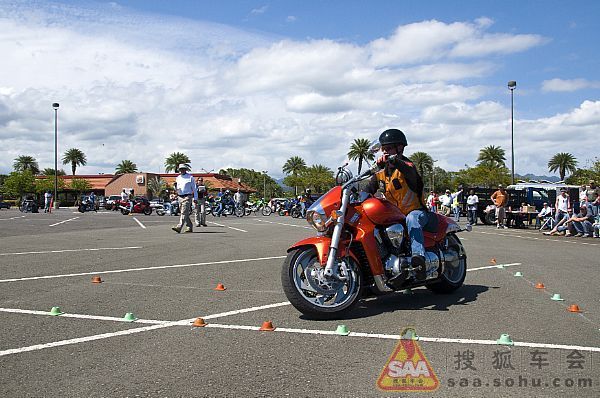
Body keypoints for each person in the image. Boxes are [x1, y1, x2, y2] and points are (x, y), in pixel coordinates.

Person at [364, 128, 428, 280]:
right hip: (394, 216)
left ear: (400, 148)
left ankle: (419, 259)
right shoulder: (380, 173)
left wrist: (395, 161)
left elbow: (410, 173)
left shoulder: (408, 166)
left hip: (416, 212)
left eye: (389, 149)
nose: (385, 152)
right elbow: (366, 191)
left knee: (411, 219)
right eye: (383, 149)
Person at [172, 164, 197, 233]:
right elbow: (177, 188)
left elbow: (194, 189)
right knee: (183, 212)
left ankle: (179, 227)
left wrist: (195, 198)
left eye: (183, 169)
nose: (182, 170)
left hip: (187, 196)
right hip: (180, 196)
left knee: (184, 212)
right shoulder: (178, 177)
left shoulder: (190, 177)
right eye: (180, 169)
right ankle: (189, 226)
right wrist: (175, 188)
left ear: (186, 169)